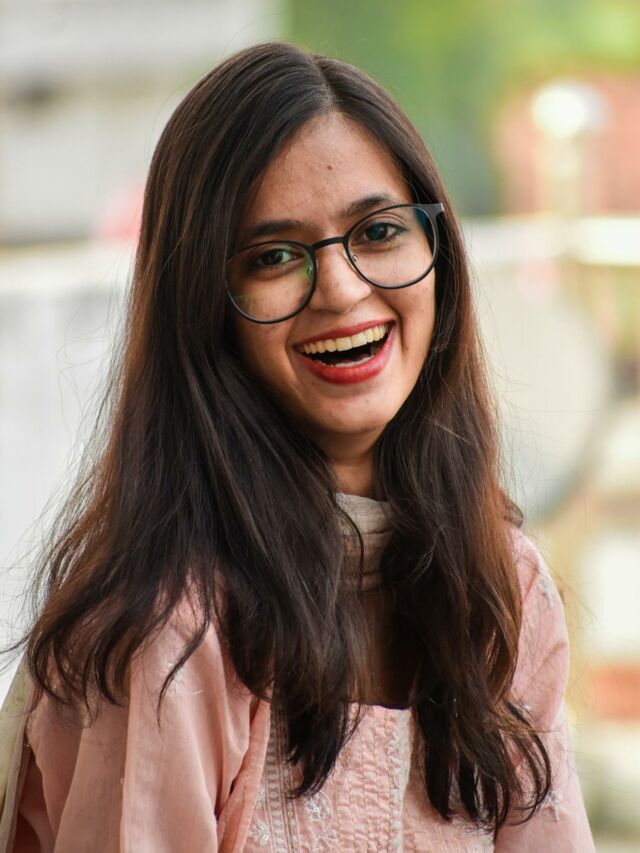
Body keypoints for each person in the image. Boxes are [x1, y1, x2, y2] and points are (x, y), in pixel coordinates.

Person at [0, 41, 595, 851]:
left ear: (439, 255)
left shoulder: (504, 588)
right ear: (203, 308)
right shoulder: (172, 630)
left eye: (378, 230)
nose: (343, 290)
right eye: (274, 255)